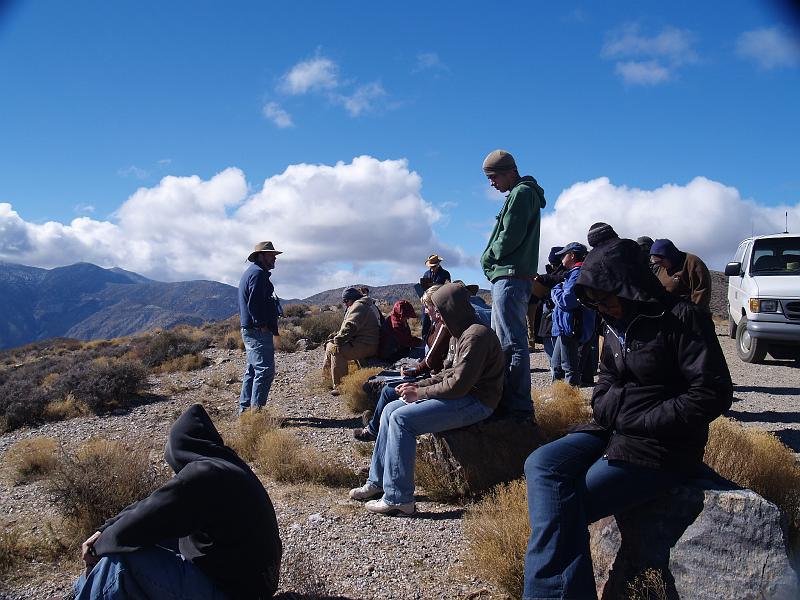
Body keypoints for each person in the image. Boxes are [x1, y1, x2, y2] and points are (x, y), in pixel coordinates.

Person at [522, 238, 733, 600]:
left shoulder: (683, 319)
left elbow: (711, 393)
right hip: (612, 428)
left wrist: (646, 419)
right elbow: (606, 379)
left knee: (570, 501)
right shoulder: (614, 323)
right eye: (593, 301)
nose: (601, 307)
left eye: (606, 298)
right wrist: (608, 408)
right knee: (541, 463)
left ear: (629, 285)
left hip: (661, 445)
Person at [73, 404, 282, 600]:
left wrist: (97, 548)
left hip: (228, 593)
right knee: (151, 539)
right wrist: (105, 529)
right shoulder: (228, 468)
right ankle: (79, 592)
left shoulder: (205, 474)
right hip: (250, 585)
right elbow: (155, 505)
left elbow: (146, 520)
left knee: (121, 561)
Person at [348, 283, 505, 515]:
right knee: (390, 410)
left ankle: (399, 498)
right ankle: (377, 481)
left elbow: (459, 385)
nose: (436, 315)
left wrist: (418, 394)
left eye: (439, 310)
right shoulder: (459, 332)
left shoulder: (475, 336)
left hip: (477, 402)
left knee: (402, 419)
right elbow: (446, 374)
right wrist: (417, 386)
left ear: (452, 308)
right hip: (461, 396)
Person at [480, 149, 546, 419]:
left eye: (494, 177)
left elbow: (510, 235)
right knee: (503, 341)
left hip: (510, 276)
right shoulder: (521, 194)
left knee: (511, 342)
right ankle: (507, 401)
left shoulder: (522, 193)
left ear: (510, 172)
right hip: (509, 276)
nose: (491, 183)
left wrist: (488, 257)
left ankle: (518, 407)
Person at [353, 286, 452, 442]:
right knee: (390, 389)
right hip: (397, 357)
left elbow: (431, 360)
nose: (426, 311)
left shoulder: (443, 325)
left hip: (436, 377)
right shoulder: (439, 324)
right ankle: (376, 427)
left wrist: (414, 371)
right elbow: (417, 349)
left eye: (428, 307)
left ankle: (373, 430)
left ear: (437, 306)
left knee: (389, 392)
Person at [238, 241, 282, 414]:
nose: (274, 258)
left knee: (253, 370)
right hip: (257, 331)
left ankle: (246, 411)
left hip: (252, 329)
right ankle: (256, 413)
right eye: (271, 255)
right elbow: (254, 303)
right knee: (264, 370)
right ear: (261, 256)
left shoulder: (253, 272)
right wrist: (262, 324)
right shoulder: (258, 274)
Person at [550, 242, 596, 386]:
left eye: (563, 255)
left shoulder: (577, 273)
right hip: (567, 325)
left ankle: (569, 396)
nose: (561, 258)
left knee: (568, 366)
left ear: (572, 255)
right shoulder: (576, 273)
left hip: (570, 325)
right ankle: (558, 394)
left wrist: (555, 289)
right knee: (557, 365)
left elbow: (567, 300)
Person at [323, 287, 380, 394]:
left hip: (367, 345)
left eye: (346, 301)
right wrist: (336, 337)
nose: (345, 304)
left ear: (352, 299)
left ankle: (340, 386)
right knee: (330, 345)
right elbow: (349, 329)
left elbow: (350, 327)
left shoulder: (359, 306)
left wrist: (337, 341)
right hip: (363, 342)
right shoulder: (359, 305)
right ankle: (327, 377)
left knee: (336, 350)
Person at [650, 238, 712, 313]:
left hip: (689, 315)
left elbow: (701, 292)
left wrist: (692, 313)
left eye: (661, 262)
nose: (659, 265)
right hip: (668, 314)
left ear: (669, 256)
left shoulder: (692, 263)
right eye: (656, 263)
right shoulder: (660, 268)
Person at [536, 246, 566, 379]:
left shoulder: (563, 275)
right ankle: (558, 379)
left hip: (553, 319)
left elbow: (557, 281)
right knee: (554, 354)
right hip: (548, 320)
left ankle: (558, 381)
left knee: (556, 357)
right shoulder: (554, 274)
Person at [420, 254, 451, 339]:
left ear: (438, 264)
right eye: (431, 266)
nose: (432, 268)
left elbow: (448, 287)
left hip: (439, 303)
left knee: (439, 323)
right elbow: (424, 288)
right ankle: (425, 340)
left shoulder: (445, 274)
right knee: (425, 323)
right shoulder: (426, 274)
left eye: (433, 266)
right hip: (428, 303)